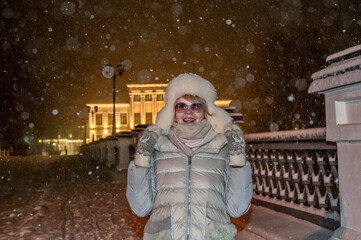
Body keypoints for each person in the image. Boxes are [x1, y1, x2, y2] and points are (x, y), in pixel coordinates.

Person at [126, 73, 253, 240]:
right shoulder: (157, 148)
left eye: (196, 106)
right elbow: (140, 208)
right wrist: (141, 161)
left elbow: (237, 208)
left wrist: (238, 161)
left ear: (206, 111)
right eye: (181, 106)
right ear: (173, 110)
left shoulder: (223, 148)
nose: (188, 113)